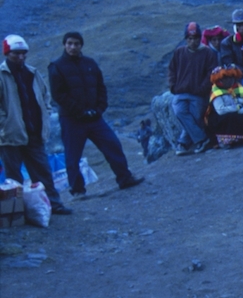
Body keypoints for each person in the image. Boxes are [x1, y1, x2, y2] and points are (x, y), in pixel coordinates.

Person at [47, 32, 143, 194]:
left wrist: (99, 109)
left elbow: (101, 88)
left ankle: (125, 178)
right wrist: (79, 111)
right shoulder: (57, 66)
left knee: (112, 144)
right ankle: (77, 190)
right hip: (72, 119)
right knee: (73, 156)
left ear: (81, 45)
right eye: (69, 43)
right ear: (64, 45)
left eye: (76, 43)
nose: (73, 47)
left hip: (94, 118)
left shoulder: (90, 64)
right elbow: (59, 95)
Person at [0, 35, 70, 215]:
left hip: (34, 133)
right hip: (10, 136)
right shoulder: (2, 75)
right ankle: (16, 212)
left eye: (24, 53)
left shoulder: (32, 73)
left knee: (43, 172)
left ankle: (54, 205)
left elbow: (45, 95)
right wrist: (5, 123)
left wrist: (46, 113)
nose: (21, 57)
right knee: (13, 178)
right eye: (16, 54)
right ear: (7, 53)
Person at [167, 22, 217, 154]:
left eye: (195, 38)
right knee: (179, 112)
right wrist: (173, 86)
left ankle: (183, 143)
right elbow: (172, 70)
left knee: (195, 117)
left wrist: (202, 88)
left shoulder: (207, 53)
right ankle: (202, 139)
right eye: (189, 39)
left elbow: (211, 74)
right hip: (181, 92)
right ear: (186, 39)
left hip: (199, 94)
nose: (193, 41)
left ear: (200, 38)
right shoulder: (179, 52)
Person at [204, 64, 243, 148]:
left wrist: (241, 110)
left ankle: (242, 138)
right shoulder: (216, 91)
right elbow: (220, 110)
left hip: (239, 111)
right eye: (225, 78)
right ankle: (225, 141)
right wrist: (236, 108)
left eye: (231, 77)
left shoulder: (239, 88)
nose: (229, 80)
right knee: (230, 117)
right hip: (223, 117)